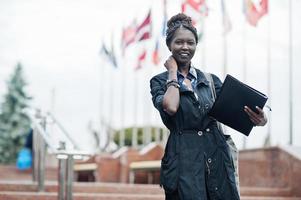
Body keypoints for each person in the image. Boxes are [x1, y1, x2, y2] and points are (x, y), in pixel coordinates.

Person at [150, 13, 267, 200]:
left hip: (216, 158)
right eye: (179, 42)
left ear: (196, 44)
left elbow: (234, 112)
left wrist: (260, 119)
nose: (185, 47)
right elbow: (171, 107)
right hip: (183, 162)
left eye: (190, 42)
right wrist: (172, 72)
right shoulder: (158, 81)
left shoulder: (211, 81)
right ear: (169, 45)